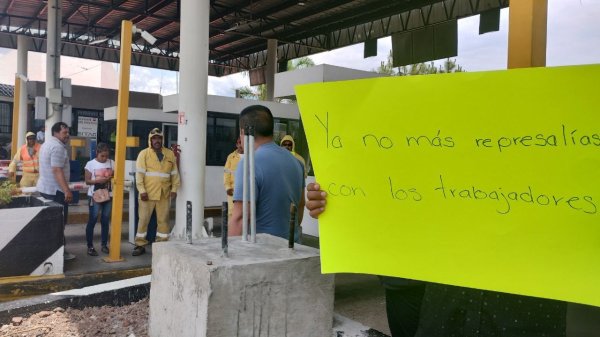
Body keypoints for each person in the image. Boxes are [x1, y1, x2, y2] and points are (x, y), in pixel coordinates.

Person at [305, 183, 566, 337]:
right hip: (439, 307)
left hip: (524, 313)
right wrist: (338, 206)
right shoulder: (438, 145)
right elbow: (397, 198)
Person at [229, 105, 305, 240]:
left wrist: (227, 258)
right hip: (291, 248)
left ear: (243, 132)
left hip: (262, 253)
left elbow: (240, 218)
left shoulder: (249, 163)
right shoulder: (296, 163)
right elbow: (300, 206)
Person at [132, 128, 180, 256]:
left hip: (164, 194)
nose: (157, 141)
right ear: (150, 140)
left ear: (162, 140)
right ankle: (140, 244)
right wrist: (142, 191)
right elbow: (139, 175)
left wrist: (174, 189)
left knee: (163, 220)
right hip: (147, 194)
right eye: (154, 138)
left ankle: (162, 244)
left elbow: (175, 174)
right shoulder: (144, 154)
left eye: (159, 138)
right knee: (143, 220)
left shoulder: (169, 154)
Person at [36, 122, 75, 261]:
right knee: (58, 223)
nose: (67, 135)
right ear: (56, 133)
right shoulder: (58, 147)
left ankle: (54, 251)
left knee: (51, 223)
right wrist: (67, 191)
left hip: (45, 189)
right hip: (56, 191)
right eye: (65, 132)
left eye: (68, 132)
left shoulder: (46, 144)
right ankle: (59, 253)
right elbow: (57, 170)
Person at [84, 143, 114, 256]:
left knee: (105, 220)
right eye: (102, 156)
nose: (105, 158)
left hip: (108, 195)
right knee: (93, 219)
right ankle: (90, 246)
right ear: (97, 153)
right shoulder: (90, 164)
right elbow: (87, 181)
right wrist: (98, 181)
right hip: (94, 195)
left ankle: (104, 244)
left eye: (106, 156)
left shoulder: (112, 163)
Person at [223, 137, 243, 219]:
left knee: (246, 214)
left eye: (242, 143)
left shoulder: (252, 157)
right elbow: (226, 173)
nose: (241, 145)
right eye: (239, 143)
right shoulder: (231, 157)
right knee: (232, 214)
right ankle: (232, 232)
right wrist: (228, 188)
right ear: (236, 144)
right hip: (233, 191)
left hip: (247, 191)